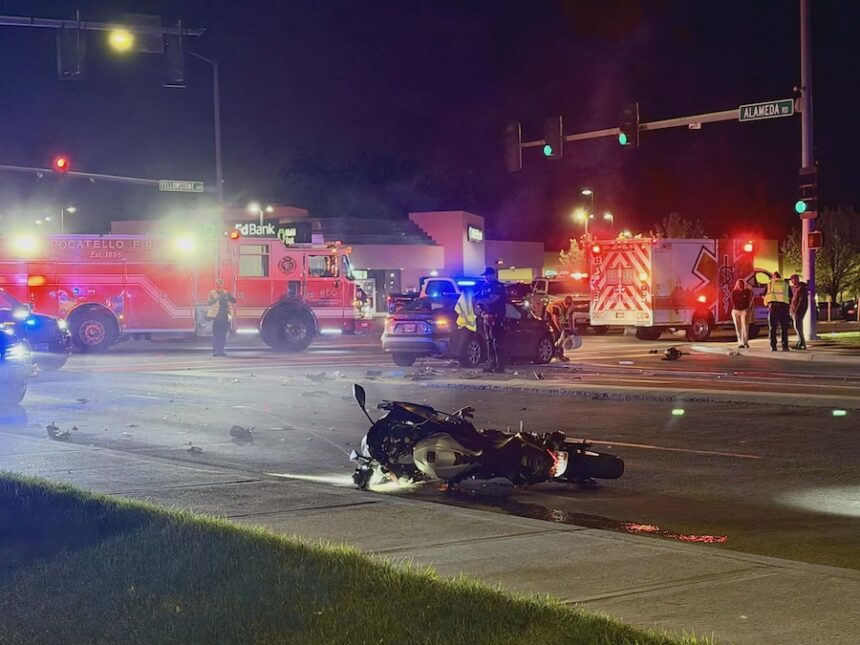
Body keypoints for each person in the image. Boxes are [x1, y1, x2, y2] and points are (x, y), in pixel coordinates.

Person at [473, 266, 507, 373]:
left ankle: (499, 366)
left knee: (497, 342)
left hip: (497, 317)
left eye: (488, 275)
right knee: (489, 342)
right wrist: (480, 309)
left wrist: (481, 301)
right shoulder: (484, 286)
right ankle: (491, 364)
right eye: (485, 276)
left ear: (493, 275)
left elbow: (493, 299)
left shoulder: (498, 286)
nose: (486, 277)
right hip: (486, 317)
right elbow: (475, 298)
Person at [764, 271, 792, 352]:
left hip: (773, 307)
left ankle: (773, 347)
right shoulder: (785, 284)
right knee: (784, 328)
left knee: (772, 328)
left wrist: (767, 303)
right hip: (784, 307)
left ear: (773, 277)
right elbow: (790, 296)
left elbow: (764, 295)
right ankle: (785, 346)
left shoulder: (769, 284)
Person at [208, 279, 237, 357]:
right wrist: (218, 298)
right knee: (216, 335)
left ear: (222, 285)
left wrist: (229, 296)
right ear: (215, 285)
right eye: (217, 284)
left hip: (224, 317)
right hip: (216, 317)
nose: (218, 285)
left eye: (220, 284)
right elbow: (209, 303)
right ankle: (216, 351)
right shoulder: (212, 293)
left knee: (223, 335)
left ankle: (221, 351)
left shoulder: (226, 293)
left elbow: (234, 301)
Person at [546, 295, 574, 361]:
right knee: (558, 334)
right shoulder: (557, 306)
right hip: (550, 315)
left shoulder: (571, 307)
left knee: (561, 335)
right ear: (564, 302)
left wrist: (572, 329)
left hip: (560, 319)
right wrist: (561, 331)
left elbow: (570, 318)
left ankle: (558, 353)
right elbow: (555, 320)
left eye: (569, 304)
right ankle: (557, 354)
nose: (567, 306)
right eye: (566, 304)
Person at [730, 279, 753, 348]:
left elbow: (751, 297)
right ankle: (740, 342)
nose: (740, 285)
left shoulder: (747, 291)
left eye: (741, 284)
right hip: (736, 310)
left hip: (744, 310)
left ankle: (745, 342)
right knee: (738, 327)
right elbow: (732, 301)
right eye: (739, 284)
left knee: (745, 327)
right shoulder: (734, 292)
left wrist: (749, 309)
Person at [789, 274, 809, 350]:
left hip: (798, 311)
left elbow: (801, 301)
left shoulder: (801, 288)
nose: (791, 281)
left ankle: (802, 344)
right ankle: (800, 343)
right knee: (797, 327)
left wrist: (796, 310)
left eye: (792, 279)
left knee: (798, 327)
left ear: (796, 279)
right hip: (795, 311)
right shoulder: (797, 288)